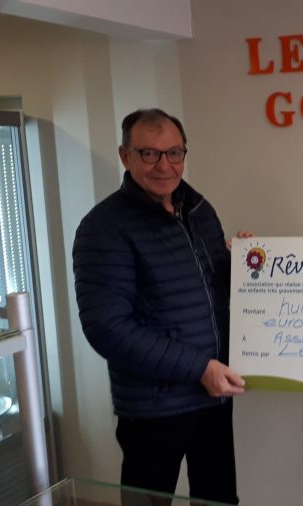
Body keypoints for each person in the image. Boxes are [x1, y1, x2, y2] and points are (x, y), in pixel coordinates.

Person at [73, 108, 245, 505]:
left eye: (174, 153)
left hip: (213, 395)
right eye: (149, 153)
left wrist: (248, 268)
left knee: (218, 499)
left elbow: (211, 289)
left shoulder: (199, 210)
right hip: (154, 407)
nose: (164, 165)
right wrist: (199, 367)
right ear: (125, 155)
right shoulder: (104, 227)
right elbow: (107, 328)